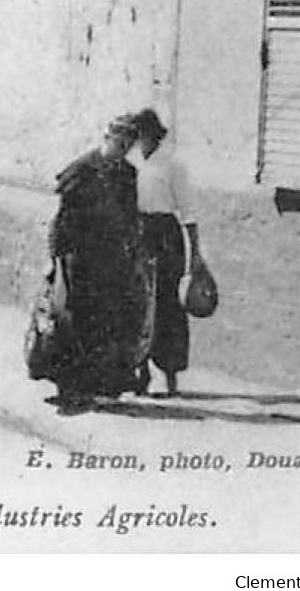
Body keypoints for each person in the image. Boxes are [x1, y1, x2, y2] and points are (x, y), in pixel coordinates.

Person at [42, 116, 153, 410]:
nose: (123, 150)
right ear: (107, 139)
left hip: (112, 259)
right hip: (77, 258)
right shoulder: (81, 170)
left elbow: (131, 218)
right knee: (72, 319)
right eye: (119, 144)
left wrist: (135, 252)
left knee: (107, 320)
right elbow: (61, 219)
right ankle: (69, 388)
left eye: (128, 146)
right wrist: (55, 261)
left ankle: (98, 385)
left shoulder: (127, 174)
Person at [129, 108, 193, 397]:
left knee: (167, 305)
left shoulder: (172, 166)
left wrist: (196, 256)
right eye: (138, 137)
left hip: (166, 235)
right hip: (140, 233)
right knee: (138, 302)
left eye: (145, 136)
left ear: (155, 136)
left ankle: (171, 379)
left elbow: (189, 214)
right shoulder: (133, 165)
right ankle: (140, 374)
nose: (142, 142)